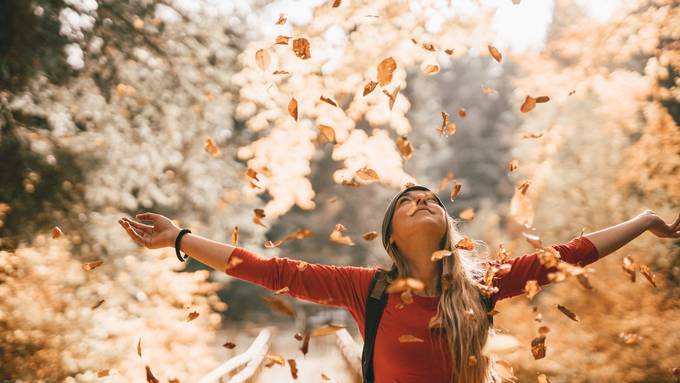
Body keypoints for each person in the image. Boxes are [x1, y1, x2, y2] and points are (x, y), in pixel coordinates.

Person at [117, 184, 680, 383]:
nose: (421, 201)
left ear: (446, 224)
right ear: (390, 236)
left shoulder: (484, 285)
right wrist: (180, 239)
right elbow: (276, 272)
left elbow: (571, 254)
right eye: (407, 202)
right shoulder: (368, 289)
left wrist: (648, 219)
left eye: (430, 199)